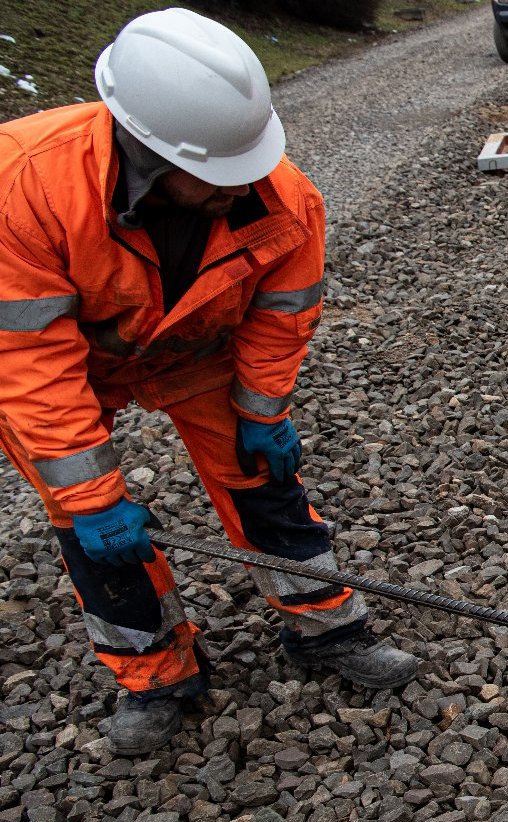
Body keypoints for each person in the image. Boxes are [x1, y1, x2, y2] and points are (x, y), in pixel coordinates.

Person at [0, 8, 418, 755]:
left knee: (266, 485)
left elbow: (280, 317)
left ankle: (326, 628)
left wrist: (265, 412)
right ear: (149, 152)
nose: (241, 187)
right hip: (71, 365)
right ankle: (154, 675)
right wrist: (93, 498)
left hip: (195, 348)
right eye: (216, 179)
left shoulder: (284, 198)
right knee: (94, 531)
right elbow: (27, 360)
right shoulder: (24, 185)